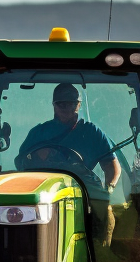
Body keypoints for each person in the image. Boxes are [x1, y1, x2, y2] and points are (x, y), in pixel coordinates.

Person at [16, 83, 122, 243]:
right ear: (54, 105)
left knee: (104, 213)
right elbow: (21, 163)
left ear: (78, 105)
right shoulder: (39, 133)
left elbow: (112, 166)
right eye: (61, 104)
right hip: (44, 188)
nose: (66, 107)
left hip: (84, 188)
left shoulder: (92, 132)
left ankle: (101, 250)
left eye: (71, 103)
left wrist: (109, 190)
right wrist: (38, 155)